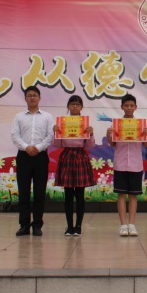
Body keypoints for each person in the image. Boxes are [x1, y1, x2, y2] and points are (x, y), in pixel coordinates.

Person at [11, 86, 54, 236]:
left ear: (39, 98)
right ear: (25, 98)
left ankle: (37, 225)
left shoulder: (47, 117)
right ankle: (24, 225)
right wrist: (26, 147)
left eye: (35, 95)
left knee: (39, 192)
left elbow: (50, 136)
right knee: (23, 192)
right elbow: (15, 135)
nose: (32, 98)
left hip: (41, 156)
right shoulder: (19, 117)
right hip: (23, 156)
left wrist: (38, 148)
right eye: (29, 95)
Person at [106, 94, 147, 237]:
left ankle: (132, 224)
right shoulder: (116, 125)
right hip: (120, 164)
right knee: (121, 194)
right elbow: (112, 144)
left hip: (136, 165)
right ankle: (123, 225)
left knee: (133, 196)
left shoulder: (141, 125)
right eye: (126, 105)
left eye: (131, 105)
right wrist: (109, 134)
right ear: (122, 107)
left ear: (136, 107)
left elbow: (146, 144)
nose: (129, 108)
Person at [52, 95, 96, 237]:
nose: (75, 106)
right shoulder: (62, 123)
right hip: (67, 156)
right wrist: (56, 132)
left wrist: (91, 133)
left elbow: (90, 145)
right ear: (68, 106)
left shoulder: (85, 123)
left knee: (80, 194)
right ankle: (69, 226)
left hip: (80, 156)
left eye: (77, 104)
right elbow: (56, 144)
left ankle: (78, 226)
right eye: (72, 104)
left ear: (81, 107)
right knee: (68, 194)